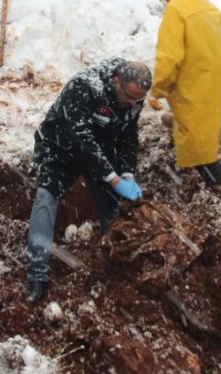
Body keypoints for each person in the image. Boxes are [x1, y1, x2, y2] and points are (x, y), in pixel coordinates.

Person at [26, 58, 150, 303]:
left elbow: (128, 136)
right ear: (116, 82)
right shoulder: (84, 87)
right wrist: (113, 178)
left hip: (99, 149)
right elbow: (80, 138)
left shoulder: (134, 97)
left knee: (114, 208)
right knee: (46, 196)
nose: (134, 104)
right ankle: (37, 274)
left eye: (139, 99)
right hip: (60, 144)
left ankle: (115, 267)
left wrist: (126, 173)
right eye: (130, 97)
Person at [149, 0, 221, 195]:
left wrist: (158, 89)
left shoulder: (175, 8)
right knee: (199, 112)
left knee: (195, 131)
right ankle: (178, 121)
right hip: (213, 68)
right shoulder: (202, 1)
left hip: (195, 71)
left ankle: (217, 182)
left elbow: (169, 56)